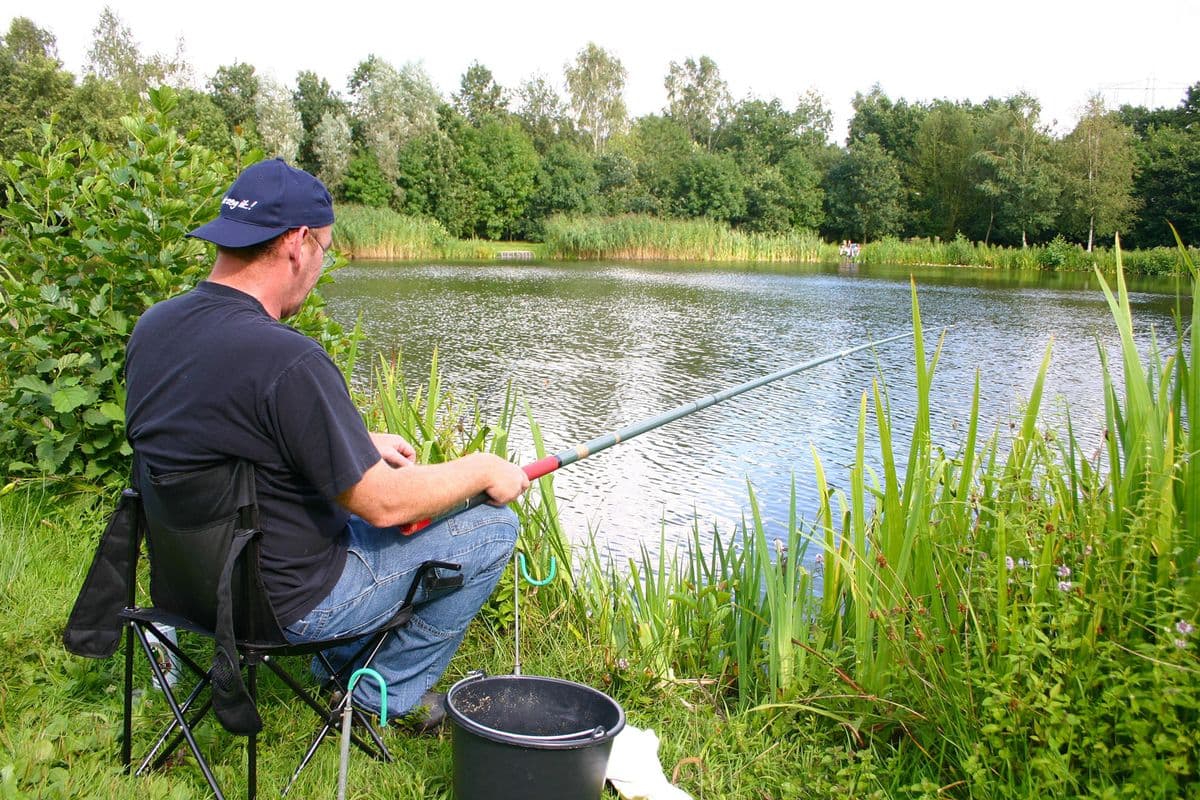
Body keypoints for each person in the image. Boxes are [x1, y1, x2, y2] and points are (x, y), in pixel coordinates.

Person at [124, 158, 530, 729]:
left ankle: (344, 665)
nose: (321, 266)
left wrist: (353, 439)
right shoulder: (286, 358)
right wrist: (484, 466)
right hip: (286, 606)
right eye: (325, 251)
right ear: (297, 243)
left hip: (190, 592)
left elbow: (219, 434)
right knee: (494, 528)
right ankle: (372, 698)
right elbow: (384, 502)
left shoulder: (155, 330)